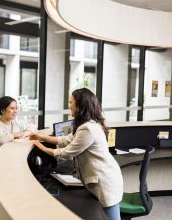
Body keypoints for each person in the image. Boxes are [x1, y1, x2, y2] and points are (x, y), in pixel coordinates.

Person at [30, 88, 123, 220]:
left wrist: (41, 147)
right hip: (102, 178)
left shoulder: (88, 129)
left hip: (105, 182)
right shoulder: (85, 125)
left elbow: (65, 153)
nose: (69, 106)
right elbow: (65, 140)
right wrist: (40, 137)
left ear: (80, 105)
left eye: (71, 102)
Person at [0, 96, 36, 220]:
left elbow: (32, 127)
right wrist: (17, 134)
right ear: (3, 110)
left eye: (16, 108)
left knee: (2, 200)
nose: (15, 111)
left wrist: (23, 133)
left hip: (5, 167)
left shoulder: (16, 122)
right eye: (12, 108)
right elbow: (2, 138)